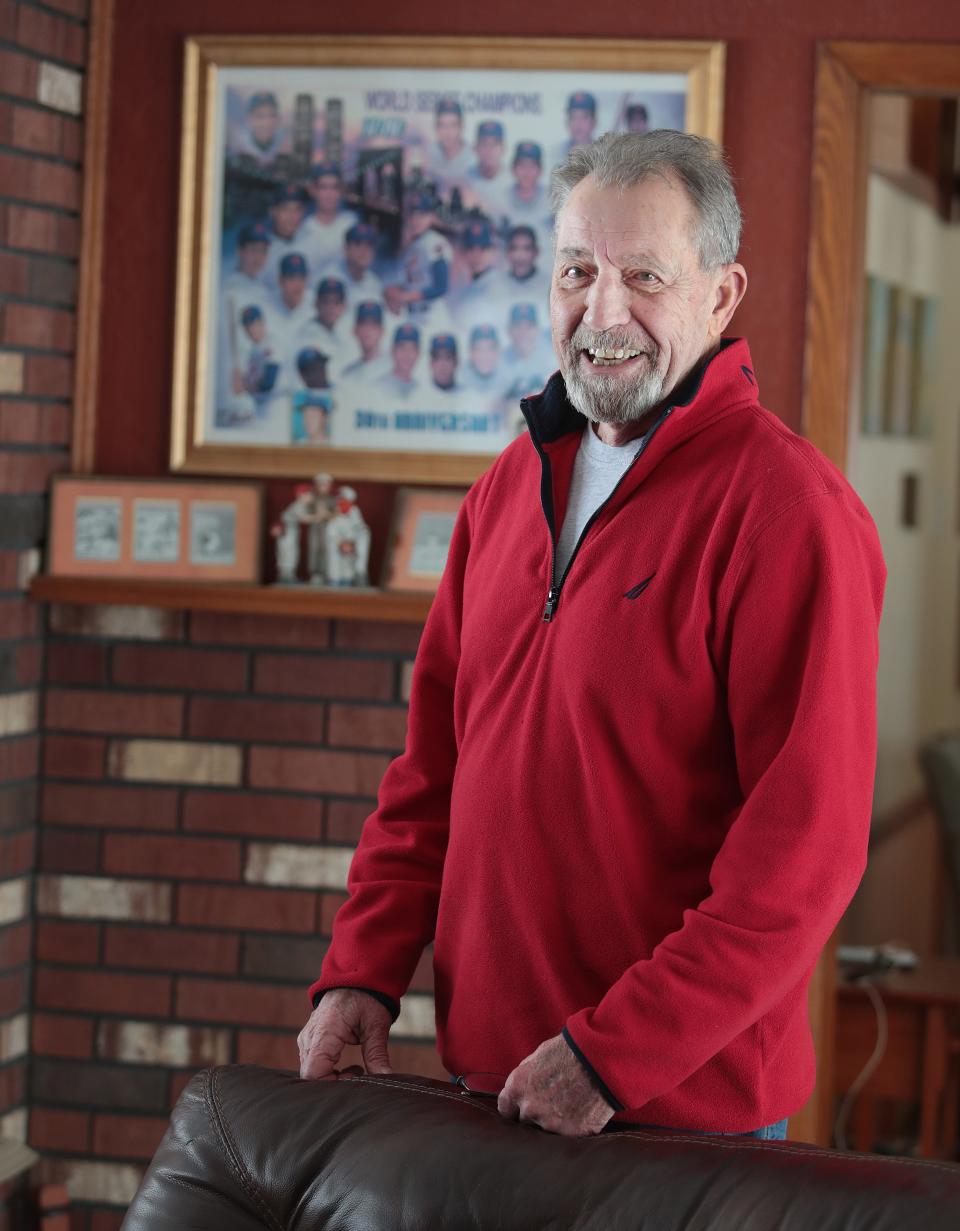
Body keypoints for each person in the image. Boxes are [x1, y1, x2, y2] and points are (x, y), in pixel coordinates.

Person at [298, 130, 887, 1142]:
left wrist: (615, 1053)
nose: (603, 312)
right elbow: (430, 773)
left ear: (722, 293)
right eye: (577, 272)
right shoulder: (501, 494)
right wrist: (364, 969)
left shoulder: (791, 511)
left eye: (645, 276)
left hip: (677, 1116)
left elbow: (805, 860)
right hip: (491, 1083)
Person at [299, 163, 360, 273]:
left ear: (341, 191)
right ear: (313, 191)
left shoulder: (351, 224)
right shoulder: (302, 229)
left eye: (334, 187)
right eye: (323, 187)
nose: (329, 194)